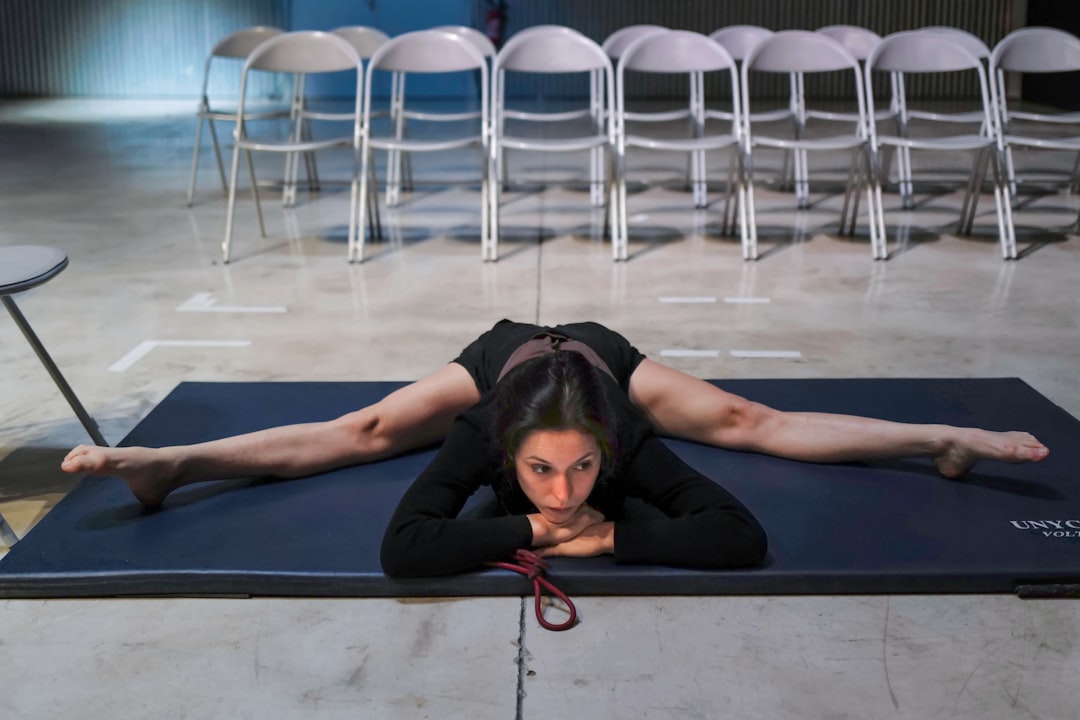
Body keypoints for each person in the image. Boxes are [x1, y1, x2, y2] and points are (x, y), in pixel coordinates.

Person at [62, 319, 1049, 516]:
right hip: (513, 361)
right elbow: (355, 435)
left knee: (748, 419)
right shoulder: (490, 369)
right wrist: (180, 454)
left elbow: (760, 422)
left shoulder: (620, 372)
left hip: (593, 356)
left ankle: (942, 443)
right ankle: (176, 462)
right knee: (364, 429)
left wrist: (936, 436)